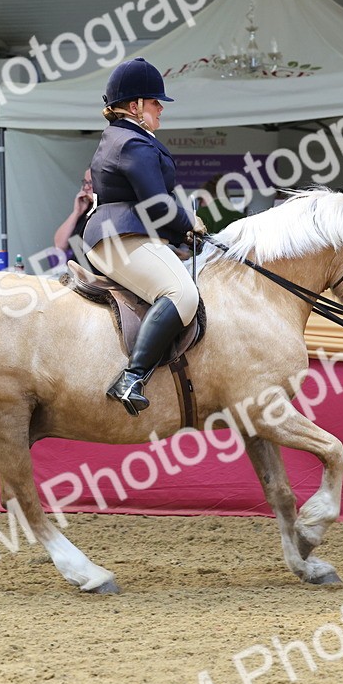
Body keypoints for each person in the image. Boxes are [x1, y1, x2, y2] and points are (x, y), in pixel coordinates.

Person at [81, 57, 205, 417]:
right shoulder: (131, 143)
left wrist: (183, 231)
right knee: (182, 294)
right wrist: (188, 224)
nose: (161, 108)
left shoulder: (127, 137)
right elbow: (156, 203)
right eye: (155, 102)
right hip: (119, 235)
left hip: (126, 231)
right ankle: (131, 378)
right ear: (135, 106)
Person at [52, 168, 93, 263]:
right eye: (85, 182)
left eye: (91, 183)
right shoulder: (85, 210)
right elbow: (59, 245)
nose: (86, 187)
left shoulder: (105, 211)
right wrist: (77, 212)